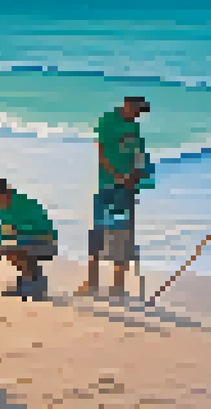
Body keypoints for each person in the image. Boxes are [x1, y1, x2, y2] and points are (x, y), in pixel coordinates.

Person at [78, 97, 151, 298]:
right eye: (136, 112)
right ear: (128, 105)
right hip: (107, 186)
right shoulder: (108, 121)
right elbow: (101, 153)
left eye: (139, 115)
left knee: (122, 235)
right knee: (99, 234)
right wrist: (120, 177)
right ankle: (92, 283)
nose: (137, 117)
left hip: (126, 190)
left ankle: (117, 287)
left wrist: (137, 176)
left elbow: (139, 157)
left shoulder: (134, 128)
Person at [0, 178, 58, 300]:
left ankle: (35, 286)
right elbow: (0, 229)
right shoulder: (2, 208)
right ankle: (28, 282)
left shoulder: (25, 203)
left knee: (14, 249)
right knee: (7, 250)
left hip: (47, 243)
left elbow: (44, 229)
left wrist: (18, 231)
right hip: (25, 241)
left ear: (5, 193)